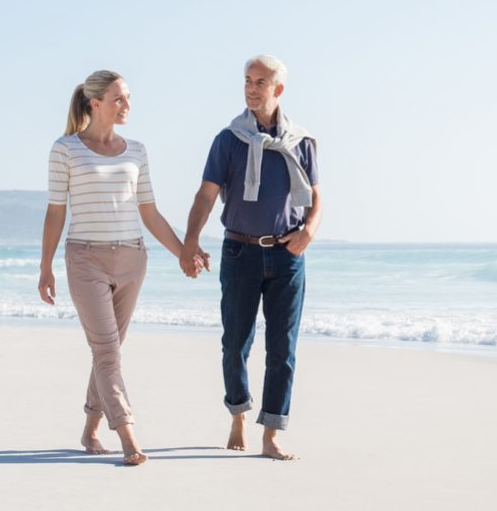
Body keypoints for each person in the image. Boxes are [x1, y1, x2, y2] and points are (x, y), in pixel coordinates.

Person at [38, 69, 202, 466]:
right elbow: (55, 213)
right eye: (119, 99)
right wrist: (46, 268)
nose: (127, 105)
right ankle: (128, 436)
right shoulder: (65, 149)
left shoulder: (137, 151)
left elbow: (149, 212)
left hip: (132, 259)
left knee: (107, 353)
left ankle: (90, 430)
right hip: (85, 258)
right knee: (108, 352)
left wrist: (184, 251)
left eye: (127, 98)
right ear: (95, 103)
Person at [181, 54, 321, 461]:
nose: (251, 88)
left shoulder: (303, 142)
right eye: (247, 80)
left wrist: (310, 230)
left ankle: (272, 432)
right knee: (235, 344)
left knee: (283, 348)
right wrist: (190, 242)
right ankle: (239, 414)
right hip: (239, 251)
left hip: (288, 254)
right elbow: (206, 195)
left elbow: (317, 199)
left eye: (261, 82)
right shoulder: (229, 139)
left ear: (278, 89)